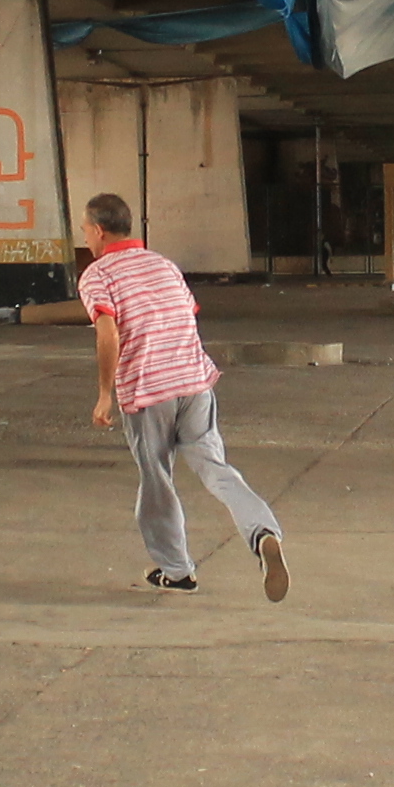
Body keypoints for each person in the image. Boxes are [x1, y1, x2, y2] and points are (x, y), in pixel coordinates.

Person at [77, 189, 290, 598]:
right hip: (194, 384)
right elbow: (183, 316)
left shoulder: (99, 275)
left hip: (147, 391)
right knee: (217, 469)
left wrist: (105, 393)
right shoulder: (164, 265)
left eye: (86, 231)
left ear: (100, 232)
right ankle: (263, 532)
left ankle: (177, 570)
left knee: (156, 478)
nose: (86, 238)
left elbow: (108, 331)